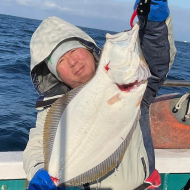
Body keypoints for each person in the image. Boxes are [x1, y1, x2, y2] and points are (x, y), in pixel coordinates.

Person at [23, 0, 176, 189]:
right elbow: (36, 147)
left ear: (88, 49)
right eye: (61, 60)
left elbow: (157, 59)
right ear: (56, 74)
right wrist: (39, 171)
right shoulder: (53, 110)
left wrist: (154, 24)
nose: (72, 62)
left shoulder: (138, 90)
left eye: (73, 50)